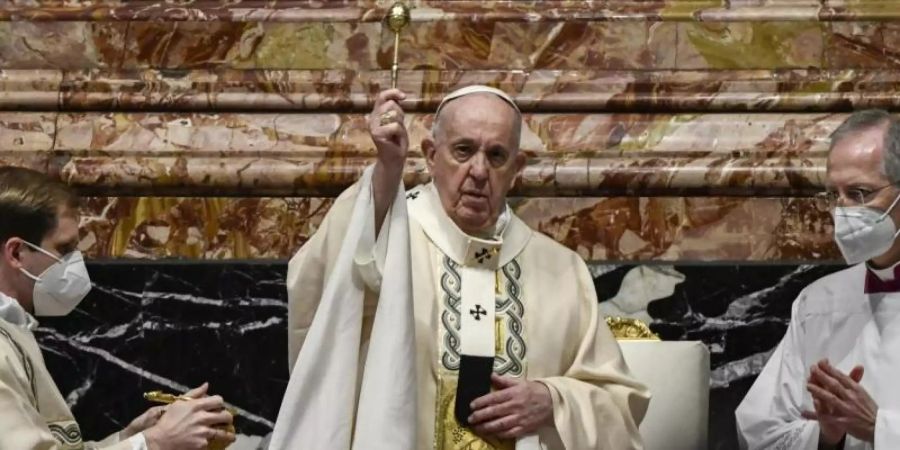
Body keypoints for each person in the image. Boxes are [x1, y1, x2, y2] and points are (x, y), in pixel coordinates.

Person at [284, 85, 649, 450]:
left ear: (516, 168)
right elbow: (319, 293)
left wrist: (553, 401)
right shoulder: (385, 240)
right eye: (463, 150)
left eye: (496, 156)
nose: (478, 170)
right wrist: (386, 171)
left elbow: (619, 402)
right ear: (430, 155)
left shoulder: (562, 270)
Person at [0, 166, 235, 450]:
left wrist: (131, 436)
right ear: (16, 253)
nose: (75, 264)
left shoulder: (13, 328)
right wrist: (155, 442)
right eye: (64, 249)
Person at [736, 109, 900, 449]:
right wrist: (826, 435)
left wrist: (878, 428)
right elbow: (759, 432)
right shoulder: (819, 302)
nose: (842, 211)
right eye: (834, 195)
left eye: (859, 193)